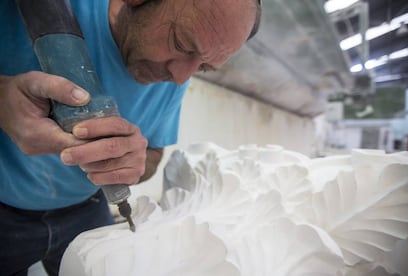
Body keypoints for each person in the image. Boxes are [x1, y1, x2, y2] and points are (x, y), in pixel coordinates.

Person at [0, 0, 261, 275]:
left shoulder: (176, 75)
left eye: (204, 67)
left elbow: (154, 154)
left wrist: (133, 162)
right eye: (182, 43)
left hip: (85, 207)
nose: (181, 76)